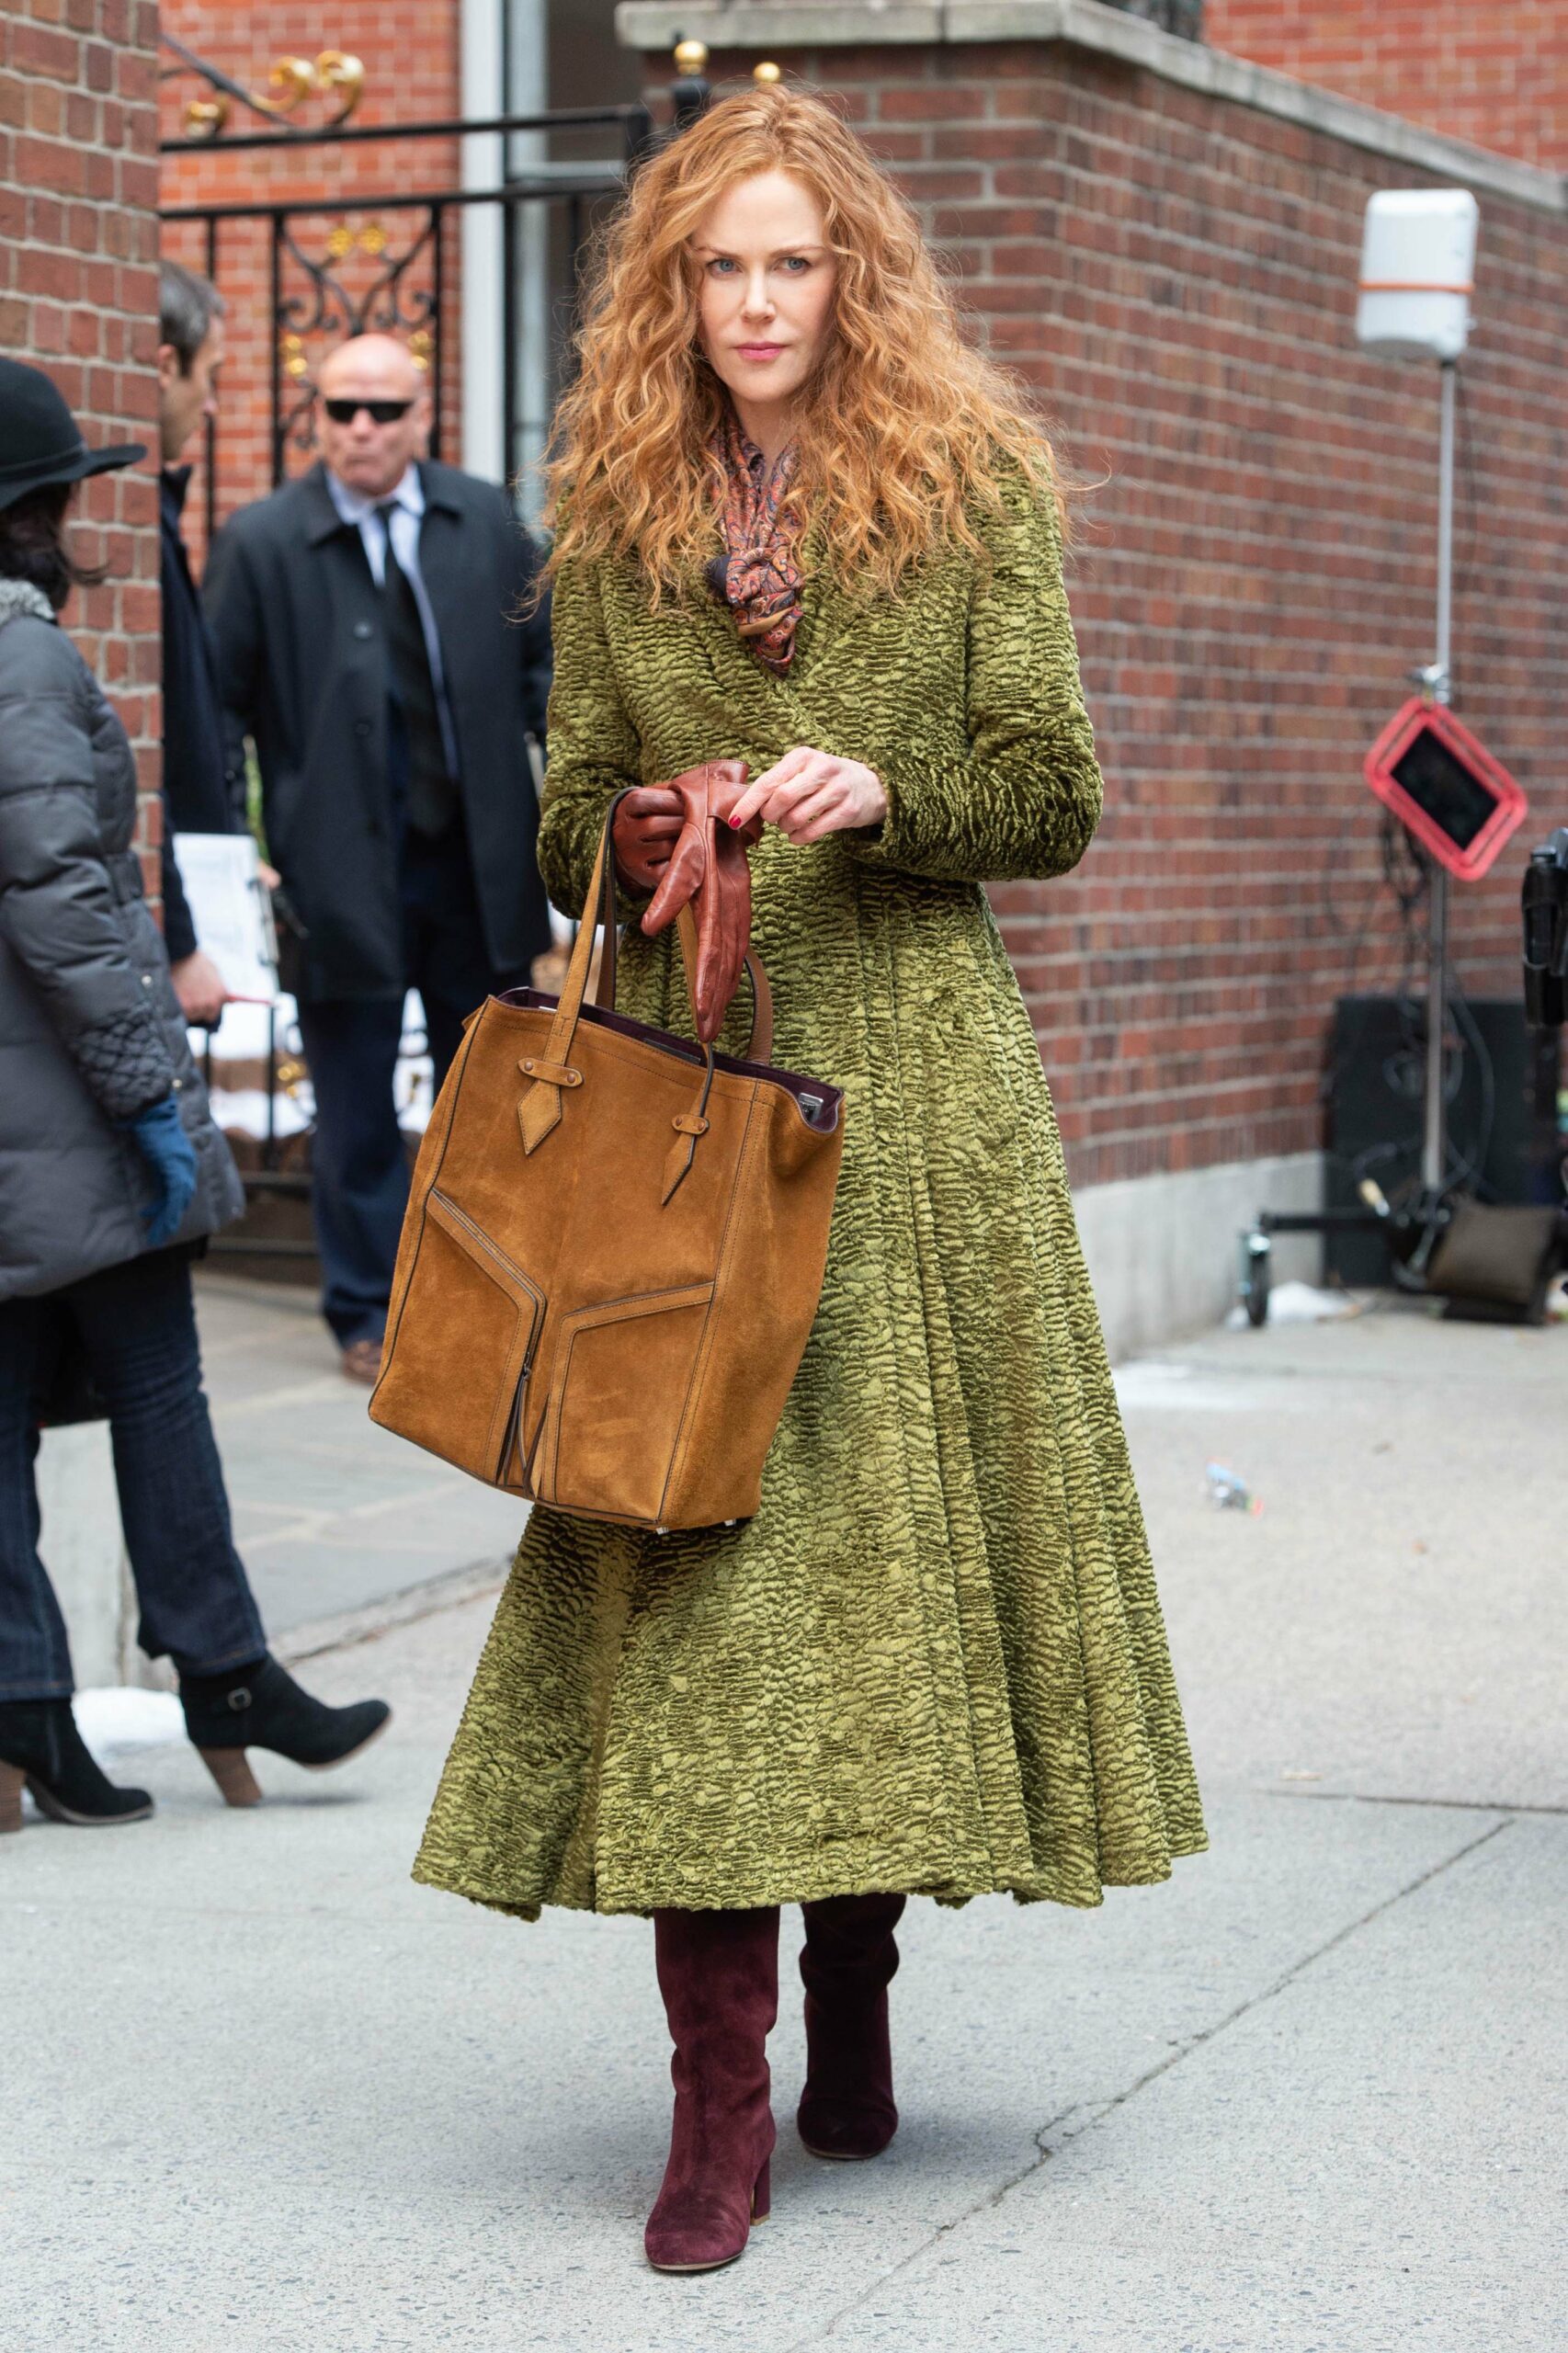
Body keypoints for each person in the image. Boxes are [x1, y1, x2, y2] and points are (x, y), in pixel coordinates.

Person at [411, 87, 1207, 2274]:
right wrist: (657, 817)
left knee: (861, 1599)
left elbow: (1051, 795)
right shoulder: (611, 512)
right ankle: (711, 2096)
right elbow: (561, 816)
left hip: (913, 1111)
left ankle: (850, 1982)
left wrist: (890, 788)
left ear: (849, 275)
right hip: (694, 1093)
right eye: (717, 269)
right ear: (673, 291)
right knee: (698, 1588)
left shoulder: (974, 487)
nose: (753, 304)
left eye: (789, 264)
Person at [0, 358, 390, 1834]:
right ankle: (224, 1676)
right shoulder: (24, 661)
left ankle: (27, 1710)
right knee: (159, 1378)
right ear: (31, 514)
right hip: (66, 1114)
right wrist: (148, 1103)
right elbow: (64, 910)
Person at [204, 336, 554, 1382]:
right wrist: (242, 855)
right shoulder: (263, 542)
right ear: (314, 416)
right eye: (342, 409)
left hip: (474, 866)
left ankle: (476, 1301)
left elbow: (544, 668)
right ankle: (365, 1315)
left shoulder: (483, 522)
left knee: (484, 1101)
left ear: (420, 414)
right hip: (338, 875)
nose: (362, 428)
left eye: (383, 409)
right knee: (354, 1108)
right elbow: (217, 714)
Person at [156, 258, 238, 1030]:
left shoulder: (148, 513)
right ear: (160, 368)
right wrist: (178, 941)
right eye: (206, 377)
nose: (211, 405)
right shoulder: (126, 528)